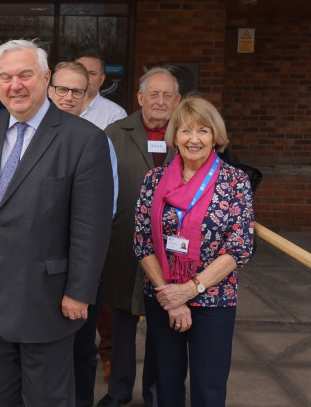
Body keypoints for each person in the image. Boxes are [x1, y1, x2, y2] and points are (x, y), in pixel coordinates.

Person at [0, 39, 113, 405]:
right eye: (5, 77)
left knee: (47, 398)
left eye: (25, 75)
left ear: (46, 77)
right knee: (5, 396)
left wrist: (79, 290)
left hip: (48, 297)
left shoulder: (85, 140)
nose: (15, 85)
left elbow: (91, 226)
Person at [134, 96, 254, 407]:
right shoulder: (154, 179)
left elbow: (239, 247)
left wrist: (189, 290)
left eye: (203, 131)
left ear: (216, 136)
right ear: (174, 136)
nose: (194, 139)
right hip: (162, 295)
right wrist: (170, 296)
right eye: (186, 130)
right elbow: (142, 240)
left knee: (209, 386)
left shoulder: (235, 182)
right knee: (165, 381)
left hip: (214, 298)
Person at [98, 67, 181, 407]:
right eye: (154, 94)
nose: (160, 102)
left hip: (173, 249)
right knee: (122, 323)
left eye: (167, 96)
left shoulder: (189, 134)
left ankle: (156, 395)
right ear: (140, 98)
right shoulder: (115, 133)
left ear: (177, 101)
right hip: (122, 244)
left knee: (163, 325)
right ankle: (118, 392)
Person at [49, 61, 118, 407]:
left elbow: (107, 208)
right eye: (62, 88)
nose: (69, 97)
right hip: (41, 264)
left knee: (80, 347)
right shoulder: (33, 137)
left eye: (78, 90)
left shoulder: (97, 142)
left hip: (82, 261)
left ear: (88, 93)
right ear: (49, 89)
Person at [77, 50, 128, 129]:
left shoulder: (116, 114)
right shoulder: (59, 106)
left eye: (92, 73)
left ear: (101, 80)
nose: (85, 77)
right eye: (81, 72)